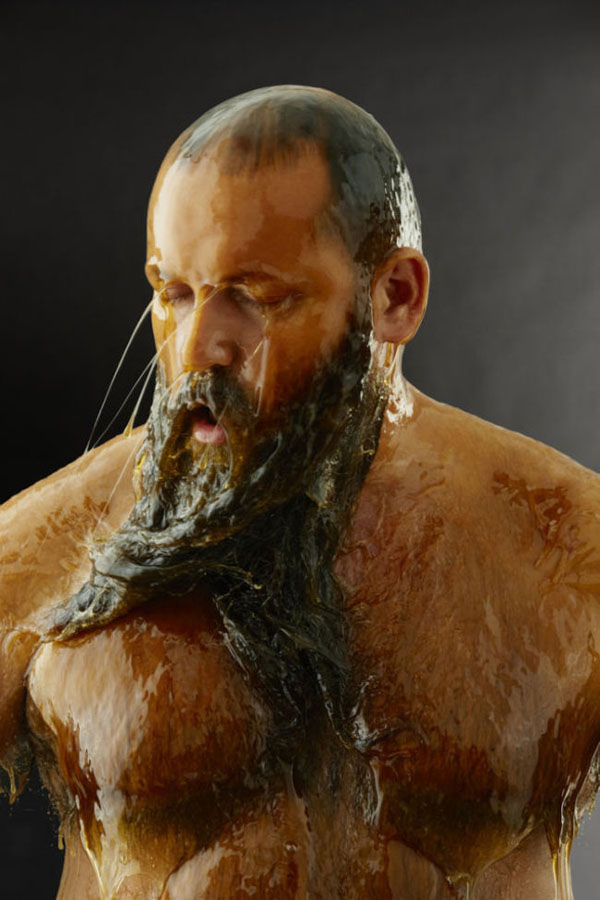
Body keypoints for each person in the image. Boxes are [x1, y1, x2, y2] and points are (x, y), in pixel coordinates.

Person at [1, 85, 598, 900]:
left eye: (256, 297)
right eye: (172, 293)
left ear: (395, 297)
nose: (199, 346)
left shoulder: (568, 547)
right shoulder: (45, 550)